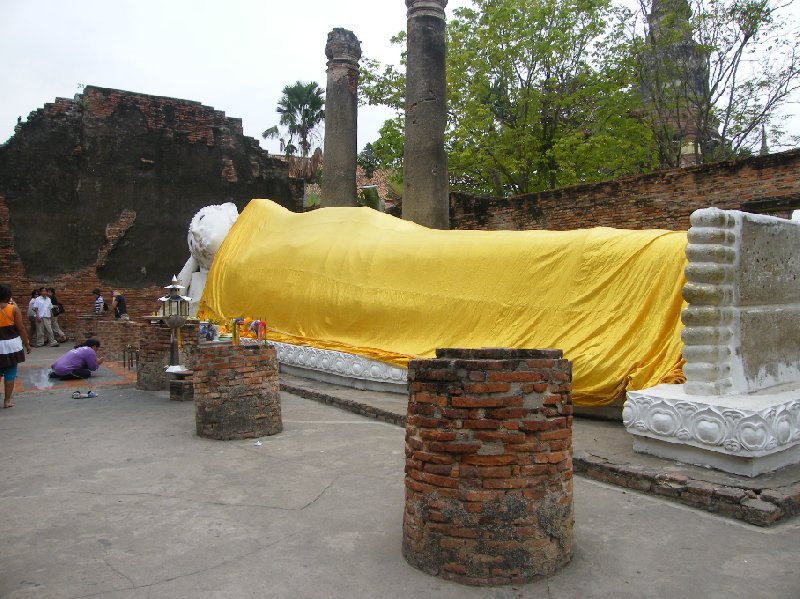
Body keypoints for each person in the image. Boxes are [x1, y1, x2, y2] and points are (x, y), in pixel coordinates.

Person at [0, 284, 32, 408]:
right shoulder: (13, 309)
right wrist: (27, 344)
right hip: (11, 346)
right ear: (8, 296)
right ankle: (7, 400)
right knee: (10, 373)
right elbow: (21, 328)